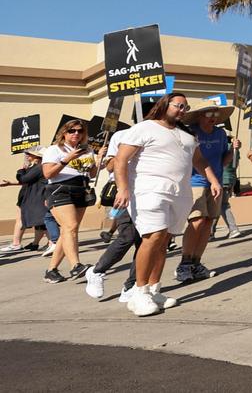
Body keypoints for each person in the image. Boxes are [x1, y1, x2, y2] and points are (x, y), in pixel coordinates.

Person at [112, 93, 222, 317]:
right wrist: (122, 188)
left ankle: (154, 289)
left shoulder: (187, 134)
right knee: (153, 236)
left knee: (165, 239)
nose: (182, 110)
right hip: (149, 191)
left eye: (185, 106)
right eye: (178, 105)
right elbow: (120, 159)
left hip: (179, 194)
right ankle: (139, 292)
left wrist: (213, 180)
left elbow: (199, 160)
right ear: (165, 105)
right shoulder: (144, 128)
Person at [176, 102, 238, 282]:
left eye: (216, 114)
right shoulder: (190, 132)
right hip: (195, 182)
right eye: (210, 113)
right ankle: (184, 264)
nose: (214, 117)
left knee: (209, 222)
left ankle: (196, 263)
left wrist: (233, 150)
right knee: (197, 221)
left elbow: (224, 161)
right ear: (200, 116)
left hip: (216, 183)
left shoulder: (220, 134)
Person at [85, 127, 143, 301]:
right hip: (125, 192)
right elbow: (110, 166)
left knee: (145, 242)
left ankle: (131, 285)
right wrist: (125, 153)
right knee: (128, 236)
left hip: (151, 192)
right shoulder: (122, 135)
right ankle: (97, 271)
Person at [41, 119, 97, 283]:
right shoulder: (54, 149)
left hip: (82, 189)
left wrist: (96, 161)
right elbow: (48, 174)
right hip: (60, 189)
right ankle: (76, 266)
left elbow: (92, 174)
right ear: (64, 132)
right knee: (70, 227)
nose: (76, 134)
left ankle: (51, 270)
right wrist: (67, 158)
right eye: (72, 130)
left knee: (68, 231)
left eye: (80, 131)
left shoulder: (87, 149)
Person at [3, 149, 50, 253]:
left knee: (38, 220)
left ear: (37, 157)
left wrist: (21, 170)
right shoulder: (35, 167)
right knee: (41, 221)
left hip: (35, 196)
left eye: (29, 154)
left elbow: (24, 179)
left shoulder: (39, 167)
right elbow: (28, 181)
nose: (27, 156)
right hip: (29, 195)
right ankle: (37, 243)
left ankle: (17, 243)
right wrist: (10, 183)